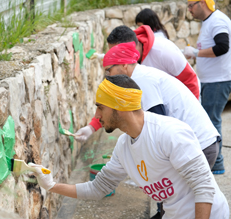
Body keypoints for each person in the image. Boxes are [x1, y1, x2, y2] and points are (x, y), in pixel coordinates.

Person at [29, 75, 229, 219]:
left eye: (100, 107)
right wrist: (51, 186)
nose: (97, 116)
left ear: (121, 107)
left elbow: (204, 187)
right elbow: (99, 188)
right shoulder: (123, 147)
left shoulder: (169, 133)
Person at [102, 42, 220, 218]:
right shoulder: (142, 76)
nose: (107, 76)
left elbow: (157, 126)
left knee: (180, 201)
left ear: (124, 65)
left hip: (199, 144)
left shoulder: (143, 81)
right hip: (200, 141)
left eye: (109, 70)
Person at [184, 0, 231, 175]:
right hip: (210, 80)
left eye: (190, 5)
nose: (189, 10)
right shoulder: (209, 22)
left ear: (202, 3)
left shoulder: (217, 20)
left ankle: (217, 164)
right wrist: (196, 56)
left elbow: (223, 47)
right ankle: (215, 163)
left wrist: (196, 53)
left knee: (212, 121)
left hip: (218, 80)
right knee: (210, 120)